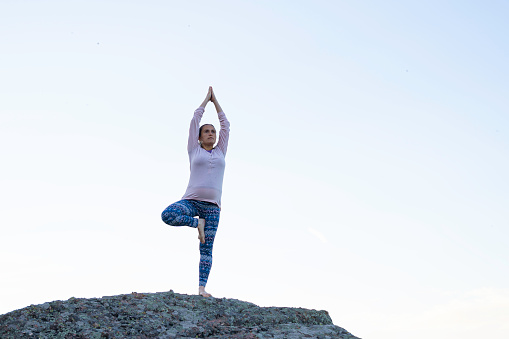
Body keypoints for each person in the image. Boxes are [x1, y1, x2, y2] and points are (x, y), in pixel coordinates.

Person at [161, 86, 230, 298]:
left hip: (212, 208)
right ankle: (195, 224)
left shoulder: (220, 150)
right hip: (191, 201)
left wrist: (216, 101)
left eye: (213, 132)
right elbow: (194, 120)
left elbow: (226, 125)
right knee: (168, 214)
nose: (211, 134)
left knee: (207, 249)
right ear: (199, 137)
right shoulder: (194, 149)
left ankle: (201, 289)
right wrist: (205, 100)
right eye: (207, 131)